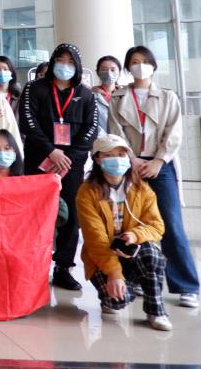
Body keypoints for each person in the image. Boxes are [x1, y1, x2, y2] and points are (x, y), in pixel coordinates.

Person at [109, 45, 200, 309]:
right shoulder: (118, 97)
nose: (140, 65)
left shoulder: (168, 97)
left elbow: (174, 131)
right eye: (134, 61)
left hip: (161, 165)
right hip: (129, 165)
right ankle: (135, 276)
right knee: (129, 223)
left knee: (170, 222)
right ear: (128, 67)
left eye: (145, 61)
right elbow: (115, 131)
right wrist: (132, 159)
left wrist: (159, 160)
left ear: (153, 65)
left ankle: (186, 285)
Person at [20, 43, 99, 291]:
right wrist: (51, 151)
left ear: (77, 66)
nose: (64, 65)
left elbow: (91, 129)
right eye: (60, 60)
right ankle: (33, 265)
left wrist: (67, 158)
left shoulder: (86, 95)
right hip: (39, 160)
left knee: (72, 216)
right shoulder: (34, 88)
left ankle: (63, 268)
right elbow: (28, 122)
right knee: (35, 214)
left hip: (71, 165)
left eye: (70, 61)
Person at [76, 134, 172, 331]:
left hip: (133, 252)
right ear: (97, 159)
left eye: (121, 154)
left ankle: (156, 310)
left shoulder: (142, 189)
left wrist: (135, 235)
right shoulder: (87, 192)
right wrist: (114, 274)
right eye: (108, 155)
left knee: (151, 254)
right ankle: (122, 288)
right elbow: (95, 239)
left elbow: (156, 226)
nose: (117, 159)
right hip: (103, 256)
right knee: (117, 301)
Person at [93, 55, 122, 137]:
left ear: (119, 72)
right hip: (100, 141)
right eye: (104, 69)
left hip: (123, 141)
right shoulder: (91, 96)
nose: (109, 73)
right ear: (98, 72)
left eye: (113, 70)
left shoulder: (125, 96)